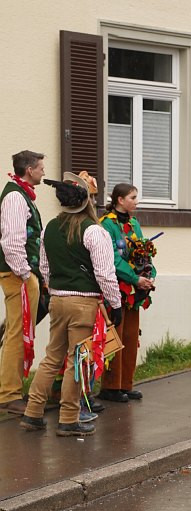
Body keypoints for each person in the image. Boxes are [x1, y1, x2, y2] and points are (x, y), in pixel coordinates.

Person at [19, 177, 122, 436]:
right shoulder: (94, 231)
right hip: (83, 302)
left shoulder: (49, 228)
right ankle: (68, 418)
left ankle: (33, 413)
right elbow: (105, 274)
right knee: (77, 360)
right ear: (86, 200)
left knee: (52, 357)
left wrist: (53, 289)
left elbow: (44, 268)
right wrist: (115, 303)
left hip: (57, 300)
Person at [99, 183, 157, 402]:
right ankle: (110, 386)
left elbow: (143, 252)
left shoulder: (134, 223)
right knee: (116, 334)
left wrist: (149, 275)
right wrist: (133, 278)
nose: (136, 201)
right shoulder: (106, 224)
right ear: (120, 200)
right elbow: (111, 257)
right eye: (132, 197)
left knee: (131, 336)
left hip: (134, 290)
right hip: (116, 288)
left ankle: (126, 383)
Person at [0, 150, 44, 415]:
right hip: (18, 274)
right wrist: (26, 274)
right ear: (29, 170)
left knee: (17, 330)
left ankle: (11, 387)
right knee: (17, 332)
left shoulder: (20, 193)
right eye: (40, 168)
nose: (43, 173)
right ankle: (8, 394)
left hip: (21, 274)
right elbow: (11, 241)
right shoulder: (16, 197)